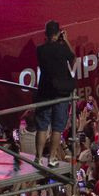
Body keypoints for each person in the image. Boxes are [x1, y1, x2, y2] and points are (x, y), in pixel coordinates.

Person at [34, 20, 75, 167]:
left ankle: (38, 158)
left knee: (42, 126)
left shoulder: (40, 50)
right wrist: (66, 41)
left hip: (45, 92)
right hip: (61, 93)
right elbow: (73, 59)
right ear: (58, 34)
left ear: (45, 34)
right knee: (57, 127)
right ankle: (51, 158)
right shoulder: (62, 48)